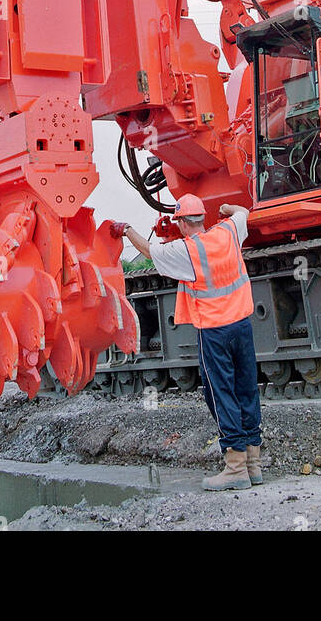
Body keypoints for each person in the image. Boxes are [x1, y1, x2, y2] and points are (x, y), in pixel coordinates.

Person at [122, 195, 262, 490]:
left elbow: (149, 249)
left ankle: (235, 468)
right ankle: (253, 463)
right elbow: (242, 212)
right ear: (203, 217)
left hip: (214, 331)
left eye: (179, 222)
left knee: (221, 394)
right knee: (246, 389)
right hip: (242, 326)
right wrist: (227, 209)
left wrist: (126, 230)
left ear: (183, 222)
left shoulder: (188, 250)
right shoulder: (229, 230)